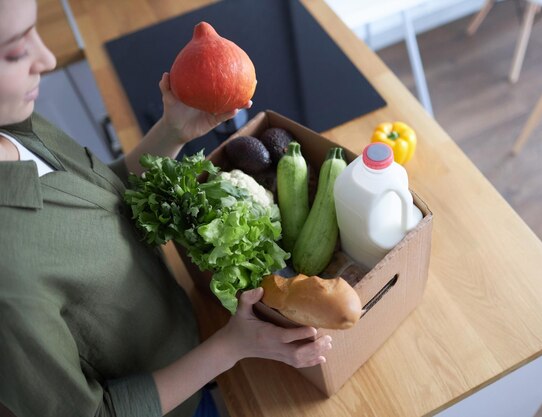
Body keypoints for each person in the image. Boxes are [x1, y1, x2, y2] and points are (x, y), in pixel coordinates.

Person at [0, 0, 332, 416]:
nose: (46, 59)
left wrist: (174, 130)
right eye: (14, 51)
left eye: (33, 33)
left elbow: (100, 197)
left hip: (193, 327)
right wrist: (233, 346)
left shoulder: (12, 126)